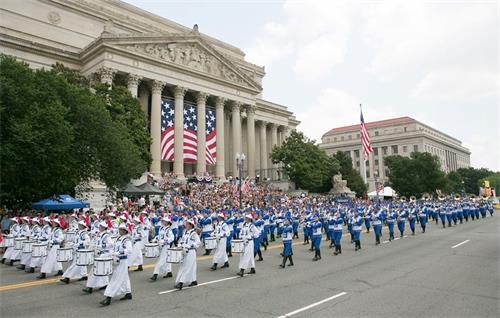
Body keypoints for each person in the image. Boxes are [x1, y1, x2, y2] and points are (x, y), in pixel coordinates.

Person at [100, 223, 133, 306]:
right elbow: (113, 247)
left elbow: (129, 250)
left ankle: (108, 297)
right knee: (124, 277)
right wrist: (110, 253)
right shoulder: (118, 238)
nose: (119, 230)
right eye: (119, 229)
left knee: (115, 279)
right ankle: (128, 293)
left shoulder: (127, 240)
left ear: (125, 231)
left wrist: (118, 253)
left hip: (122, 261)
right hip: (117, 260)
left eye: (121, 229)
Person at [83, 221, 113, 294]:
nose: (99, 227)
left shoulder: (106, 235)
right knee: (101, 271)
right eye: (99, 226)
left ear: (103, 228)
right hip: (98, 254)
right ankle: (105, 284)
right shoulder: (99, 234)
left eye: (100, 226)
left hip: (103, 255)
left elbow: (111, 244)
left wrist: (101, 246)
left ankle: (90, 287)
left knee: (94, 271)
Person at [175, 218, 201, 290]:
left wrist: (191, 245)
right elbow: (182, 240)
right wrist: (180, 244)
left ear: (190, 225)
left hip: (191, 251)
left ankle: (181, 283)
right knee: (189, 266)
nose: (185, 225)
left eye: (187, 224)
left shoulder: (194, 233)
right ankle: (194, 280)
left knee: (187, 266)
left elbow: (198, 242)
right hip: (184, 251)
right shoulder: (185, 232)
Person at [150, 216, 174, 281]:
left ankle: (155, 274)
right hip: (161, 246)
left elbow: (172, 238)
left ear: (167, 222)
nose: (162, 221)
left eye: (164, 221)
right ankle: (169, 272)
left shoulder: (169, 230)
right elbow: (159, 236)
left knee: (161, 260)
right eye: (163, 220)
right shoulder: (161, 228)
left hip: (166, 247)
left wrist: (165, 241)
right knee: (167, 259)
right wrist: (155, 239)